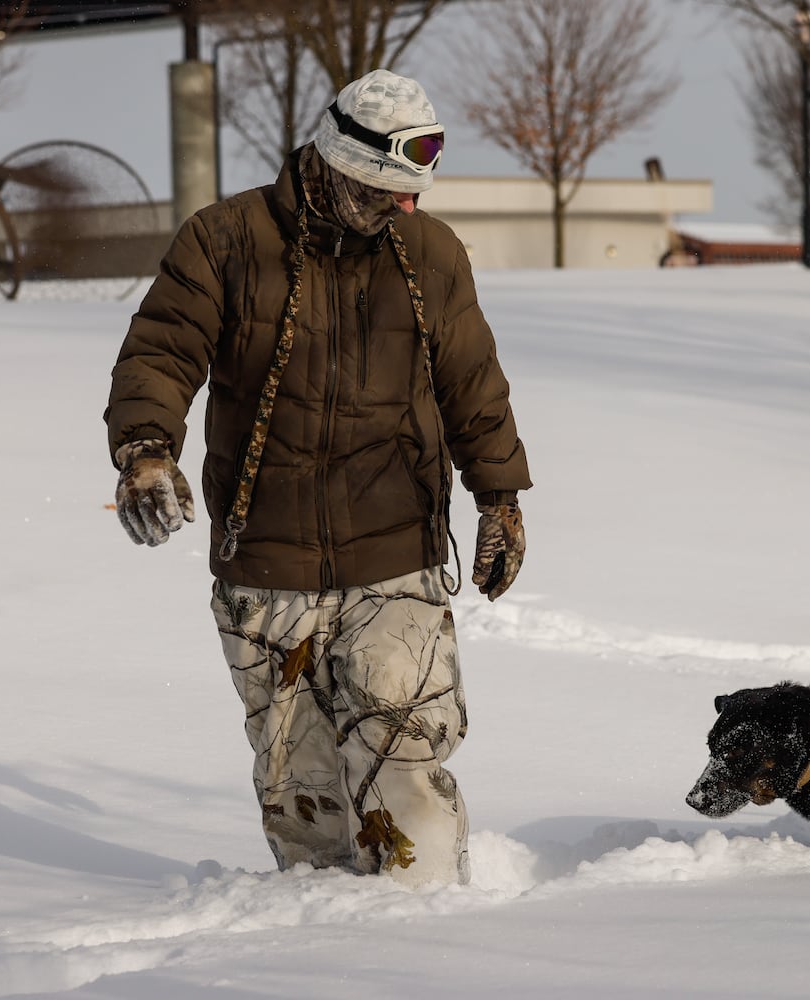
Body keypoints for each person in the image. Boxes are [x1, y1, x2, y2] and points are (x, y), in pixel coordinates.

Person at [104, 69, 531, 888]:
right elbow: (161, 352)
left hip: (397, 554)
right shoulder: (225, 241)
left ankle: (432, 935)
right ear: (335, 164)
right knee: (303, 793)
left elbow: (472, 381)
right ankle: (329, 949)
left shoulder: (429, 253)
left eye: (415, 193)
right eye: (385, 189)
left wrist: (500, 498)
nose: (404, 208)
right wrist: (146, 450)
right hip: (267, 564)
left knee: (405, 760)